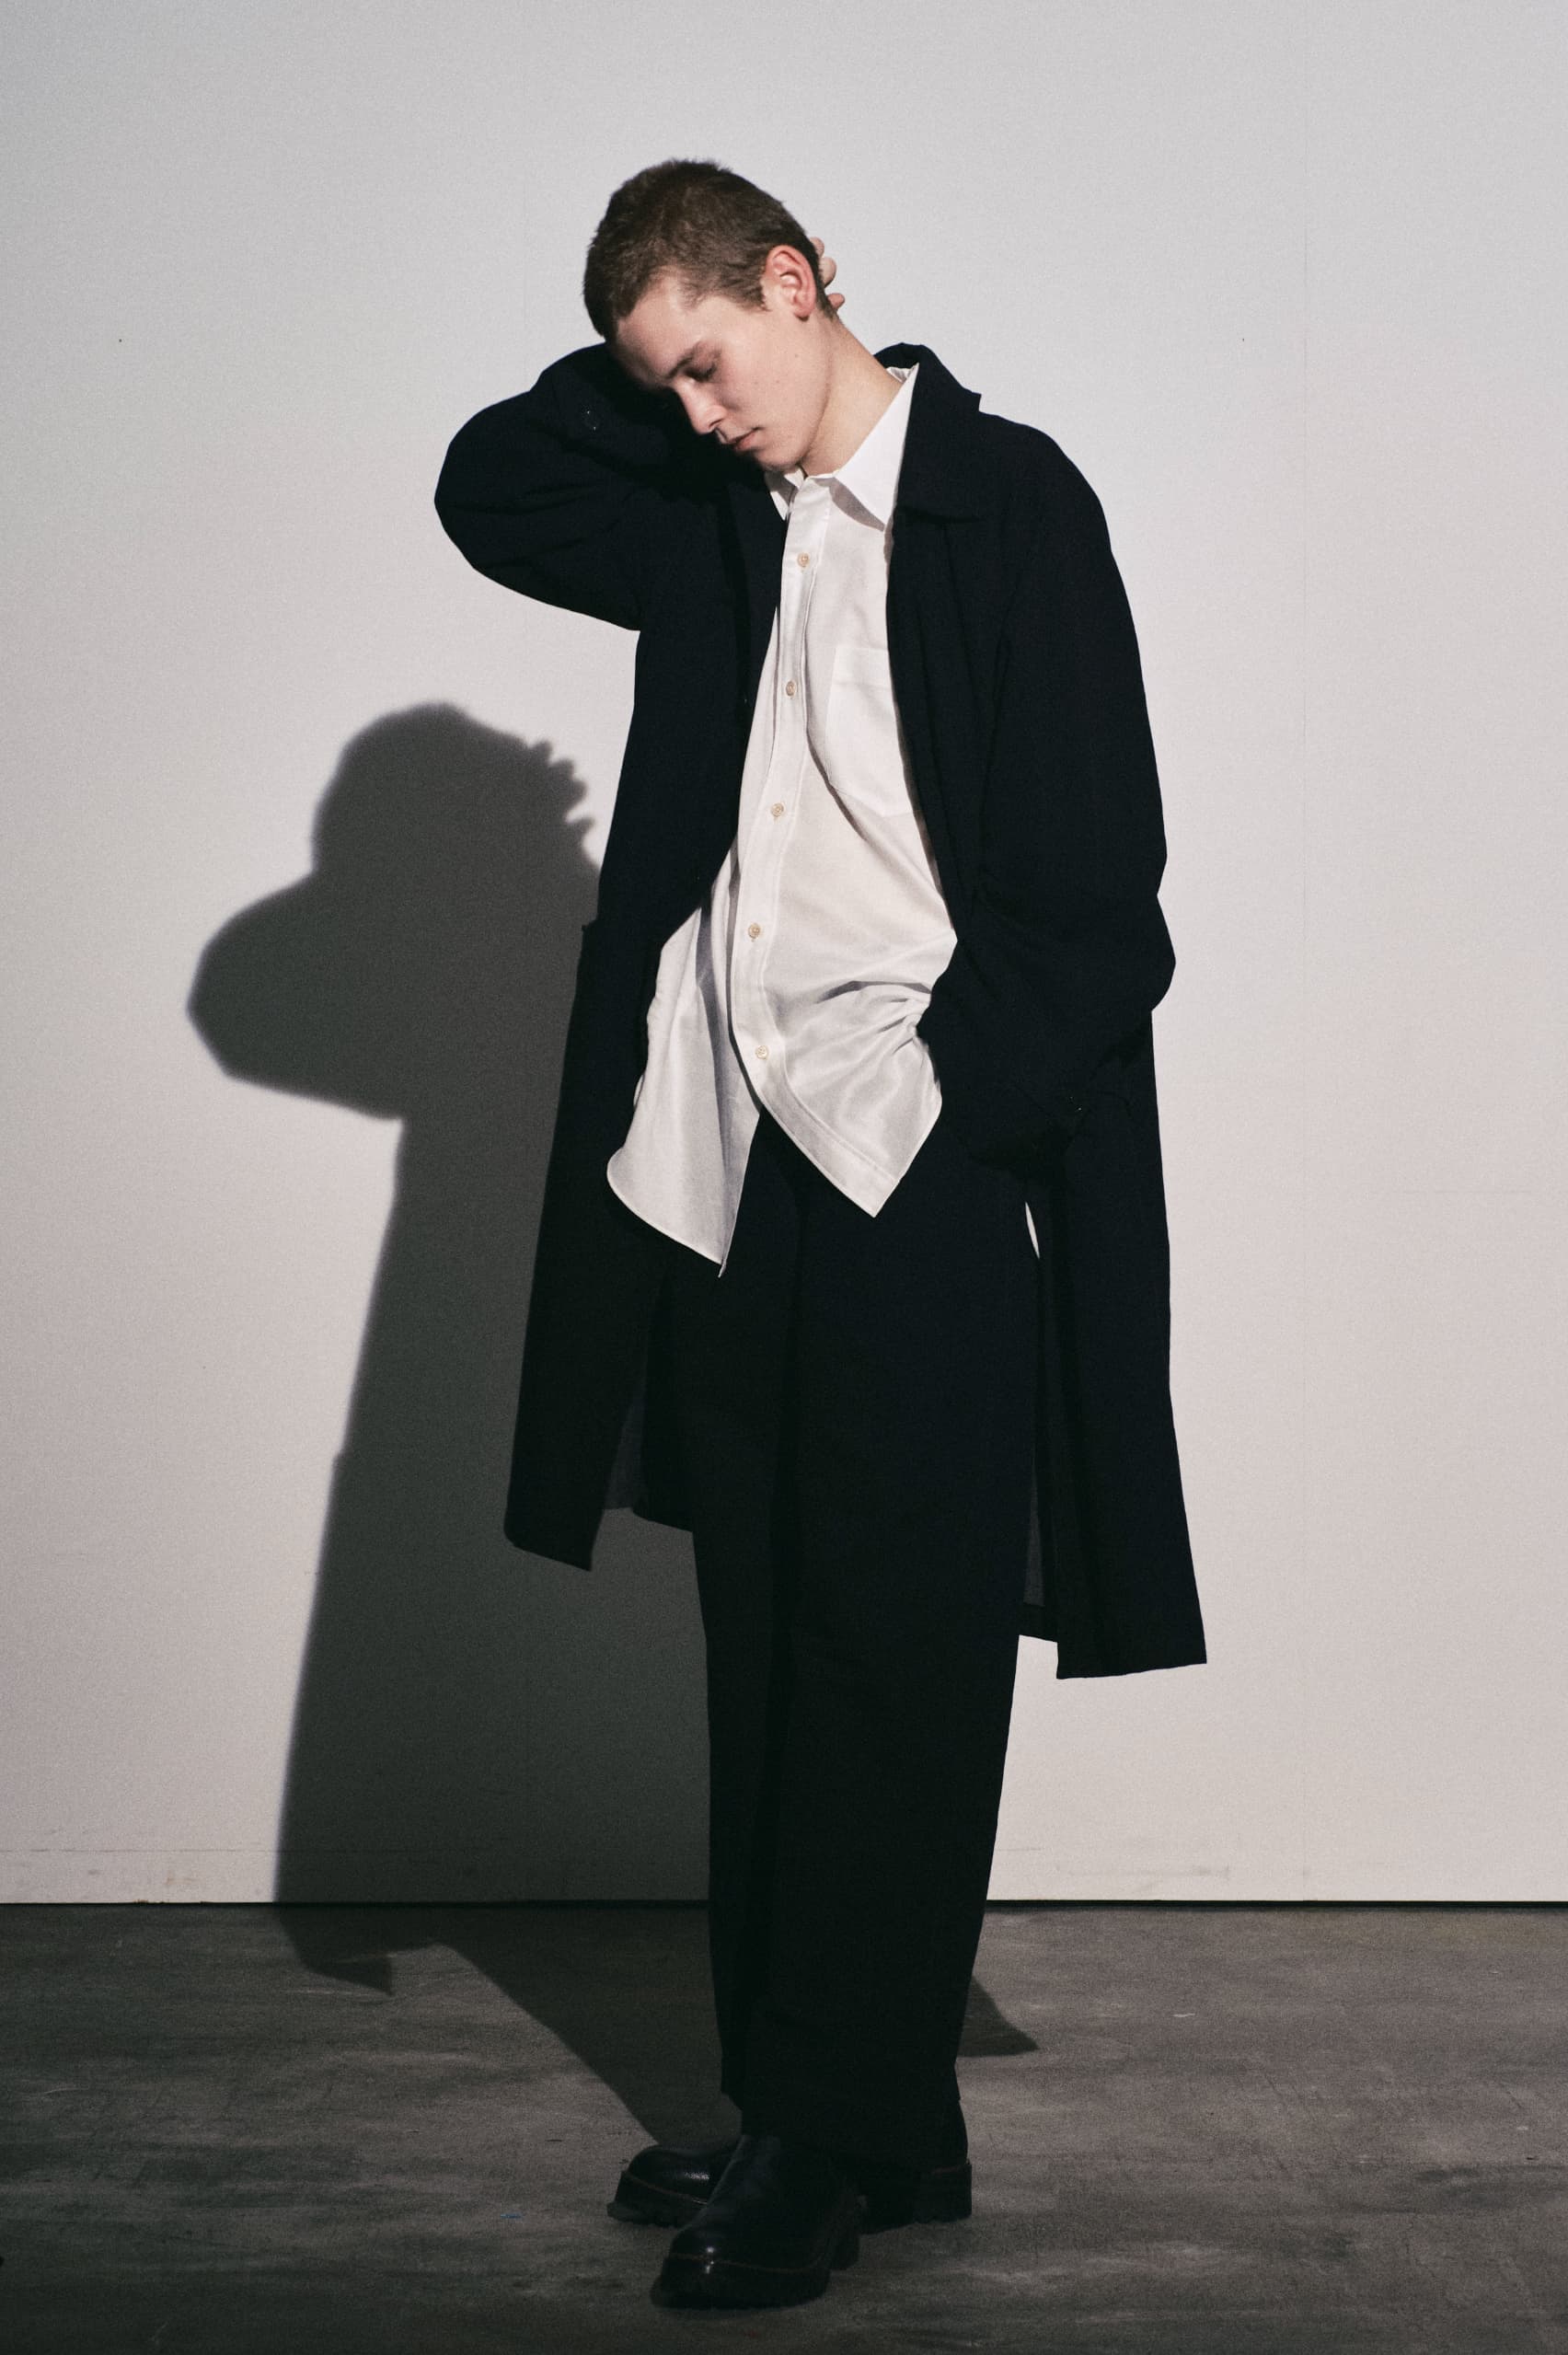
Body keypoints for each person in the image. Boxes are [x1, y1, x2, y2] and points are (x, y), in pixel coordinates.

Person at [434, 157, 1206, 2313]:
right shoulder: (712, 513)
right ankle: (847, 2102)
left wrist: (948, 1114)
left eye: (709, 361)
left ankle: (825, 2127)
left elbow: (1103, 898)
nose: (696, 412)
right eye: (664, 388)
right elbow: (489, 487)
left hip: (909, 1160)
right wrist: (661, 388)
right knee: (769, 1637)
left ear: (796, 281)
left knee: (896, 1652)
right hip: (718, 1159)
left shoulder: (1007, 507)